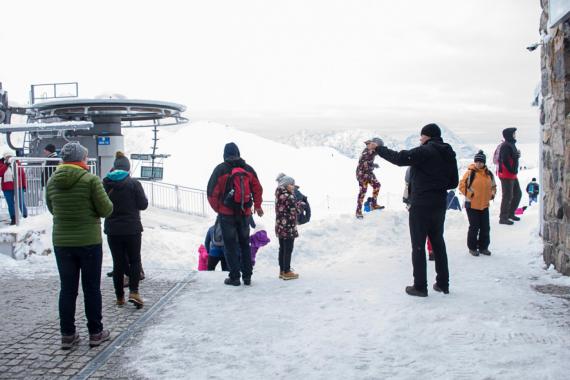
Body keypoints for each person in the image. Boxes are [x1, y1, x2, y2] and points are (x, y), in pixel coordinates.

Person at [376, 123, 458, 297]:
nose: (420, 139)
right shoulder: (449, 153)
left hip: (421, 204)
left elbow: (400, 159)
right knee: (438, 243)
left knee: (419, 245)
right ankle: (443, 283)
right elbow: (453, 183)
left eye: (421, 136)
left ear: (427, 136)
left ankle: (420, 286)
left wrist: (379, 149)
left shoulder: (426, 151)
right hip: (439, 204)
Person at [46, 142, 113, 349]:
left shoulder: (52, 181)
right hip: (88, 242)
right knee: (91, 288)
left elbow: (51, 208)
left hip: (62, 243)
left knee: (67, 289)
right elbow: (106, 209)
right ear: (81, 159)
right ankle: (95, 332)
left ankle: (67, 335)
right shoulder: (90, 180)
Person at [207, 142, 264, 286]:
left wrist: (219, 209)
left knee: (230, 246)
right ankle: (247, 276)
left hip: (227, 215)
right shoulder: (248, 169)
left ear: (224, 154)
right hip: (244, 213)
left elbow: (211, 193)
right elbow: (257, 188)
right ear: (238, 152)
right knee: (245, 244)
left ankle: (234, 277)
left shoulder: (220, 169)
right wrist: (257, 205)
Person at [103, 152, 148, 308]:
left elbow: (101, 205)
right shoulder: (134, 184)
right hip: (132, 229)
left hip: (113, 230)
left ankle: (119, 297)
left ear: (114, 167)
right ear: (128, 169)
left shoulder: (105, 183)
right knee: (135, 260)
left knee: (118, 263)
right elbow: (143, 205)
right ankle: (134, 292)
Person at [458, 150, 497, 257]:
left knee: (485, 227)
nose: (479, 163)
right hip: (471, 205)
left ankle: (484, 247)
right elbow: (461, 186)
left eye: (481, 162)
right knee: (474, 226)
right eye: (477, 161)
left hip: (484, 205)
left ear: (484, 162)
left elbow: (493, 186)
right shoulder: (470, 173)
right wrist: (470, 195)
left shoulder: (489, 174)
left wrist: (492, 195)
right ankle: (472, 247)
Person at [275, 173, 303, 280]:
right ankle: (287, 271)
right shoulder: (289, 196)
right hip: (288, 227)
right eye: (292, 184)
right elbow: (296, 210)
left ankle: (282, 270)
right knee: (288, 249)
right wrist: (299, 204)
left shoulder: (279, 194)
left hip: (281, 226)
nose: (293, 187)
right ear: (286, 185)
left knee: (282, 248)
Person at [403, 167, 434, 261]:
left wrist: (407, 199)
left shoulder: (410, 168)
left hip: (417, 203)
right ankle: (430, 251)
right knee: (430, 229)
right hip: (426, 202)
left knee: (420, 231)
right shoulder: (412, 168)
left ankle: (422, 253)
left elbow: (407, 185)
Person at [497, 128, 522, 225]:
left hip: (512, 174)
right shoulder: (506, 146)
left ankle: (510, 214)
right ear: (509, 135)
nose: (515, 134)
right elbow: (505, 160)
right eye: (514, 133)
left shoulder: (511, 144)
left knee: (517, 194)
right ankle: (503, 218)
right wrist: (512, 170)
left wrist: (517, 155)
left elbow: (512, 157)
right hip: (507, 175)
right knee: (507, 196)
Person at [355, 138, 384, 219]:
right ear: (373, 145)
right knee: (363, 192)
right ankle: (358, 211)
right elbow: (364, 164)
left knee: (377, 185)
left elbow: (368, 162)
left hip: (368, 173)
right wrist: (372, 166)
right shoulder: (367, 152)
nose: (377, 149)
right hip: (362, 175)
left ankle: (374, 204)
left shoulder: (371, 150)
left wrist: (373, 164)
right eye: (377, 147)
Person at [0, 151, 28, 225]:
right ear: (5, 158)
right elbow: (0, 173)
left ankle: (25, 217)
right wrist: (6, 165)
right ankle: (13, 218)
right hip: (7, 187)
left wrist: (24, 185)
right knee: (10, 203)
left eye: (10, 156)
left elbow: (22, 174)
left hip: (18, 186)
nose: (9, 158)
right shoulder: (1, 164)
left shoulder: (17, 163)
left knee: (21, 201)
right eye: (7, 157)